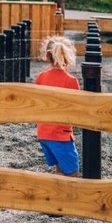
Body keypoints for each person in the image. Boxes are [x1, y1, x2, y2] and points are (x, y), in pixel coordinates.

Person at [33, 36, 81, 178]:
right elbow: (77, 108)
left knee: (60, 168)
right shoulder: (71, 81)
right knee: (73, 172)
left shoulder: (41, 77)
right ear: (68, 57)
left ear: (47, 57)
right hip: (61, 134)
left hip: (43, 133)